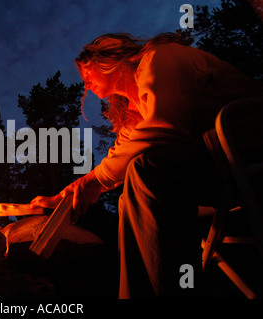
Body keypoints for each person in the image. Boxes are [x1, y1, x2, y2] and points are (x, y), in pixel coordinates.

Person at [30, 33, 263, 298]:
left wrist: (93, 182)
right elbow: (120, 157)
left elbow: (166, 125)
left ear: (107, 57)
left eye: (87, 71)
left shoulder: (160, 58)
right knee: (133, 188)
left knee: (147, 171)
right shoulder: (134, 110)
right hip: (217, 165)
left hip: (247, 139)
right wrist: (67, 194)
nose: (85, 85)